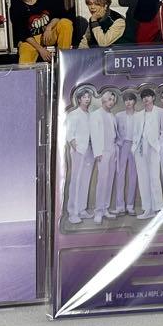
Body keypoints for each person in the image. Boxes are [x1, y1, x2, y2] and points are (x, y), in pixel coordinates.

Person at [8, 0, 73, 63]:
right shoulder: (16, 7)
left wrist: (49, 28)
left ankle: (63, 61)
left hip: (49, 34)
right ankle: (26, 72)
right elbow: (23, 33)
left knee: (66, 23)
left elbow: (59, 14)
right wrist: (41, 49)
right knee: (25, 55)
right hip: (32, 40)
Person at [64, 85, 96, 224]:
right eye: (84, 97)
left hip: (90, 150)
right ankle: (73, 212)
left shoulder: (90, 114)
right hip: (79, 150)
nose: (87, 99)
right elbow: (69, 134)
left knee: (85, 179)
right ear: (79, 99)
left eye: (88, 97)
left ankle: (82, 209)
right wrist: (76, 148)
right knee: (76, 180)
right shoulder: (74, 114)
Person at [132, 87, 163, 218]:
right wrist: (134, 147)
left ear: (153, 98)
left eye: (148, 96)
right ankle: (147, 209)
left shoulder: (161, 112)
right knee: (143, 179)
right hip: (140, 149)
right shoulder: (138, 115)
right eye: (144, 97)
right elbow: (135, 133)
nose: (146, 98)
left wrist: (159, 145)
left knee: (154, 178)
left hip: (154, 148)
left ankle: (158, 208)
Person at [89, 89, 119, 224]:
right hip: (102, 152)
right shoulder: (96, 115)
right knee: (102, 181)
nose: (111, 102)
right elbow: (94, 135)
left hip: (112, 150)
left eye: (113, 100)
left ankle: (105, 208)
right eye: (109, 99)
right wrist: (98, 152)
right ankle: (98, 211)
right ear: (103, 100)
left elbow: (114, 134)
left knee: (109, 180)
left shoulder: (112, 116)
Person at [112, 90, 140, 215]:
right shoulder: (118, 116)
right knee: (120, 174)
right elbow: (115, 132)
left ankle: (130, 205)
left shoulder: (139, 115)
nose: (128, 102)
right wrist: (118, 144)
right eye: (126, 100)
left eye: (130, 100)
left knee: (133, 175)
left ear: (134, 101)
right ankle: (120, 206)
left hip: (134, 146)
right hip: (123, 145)